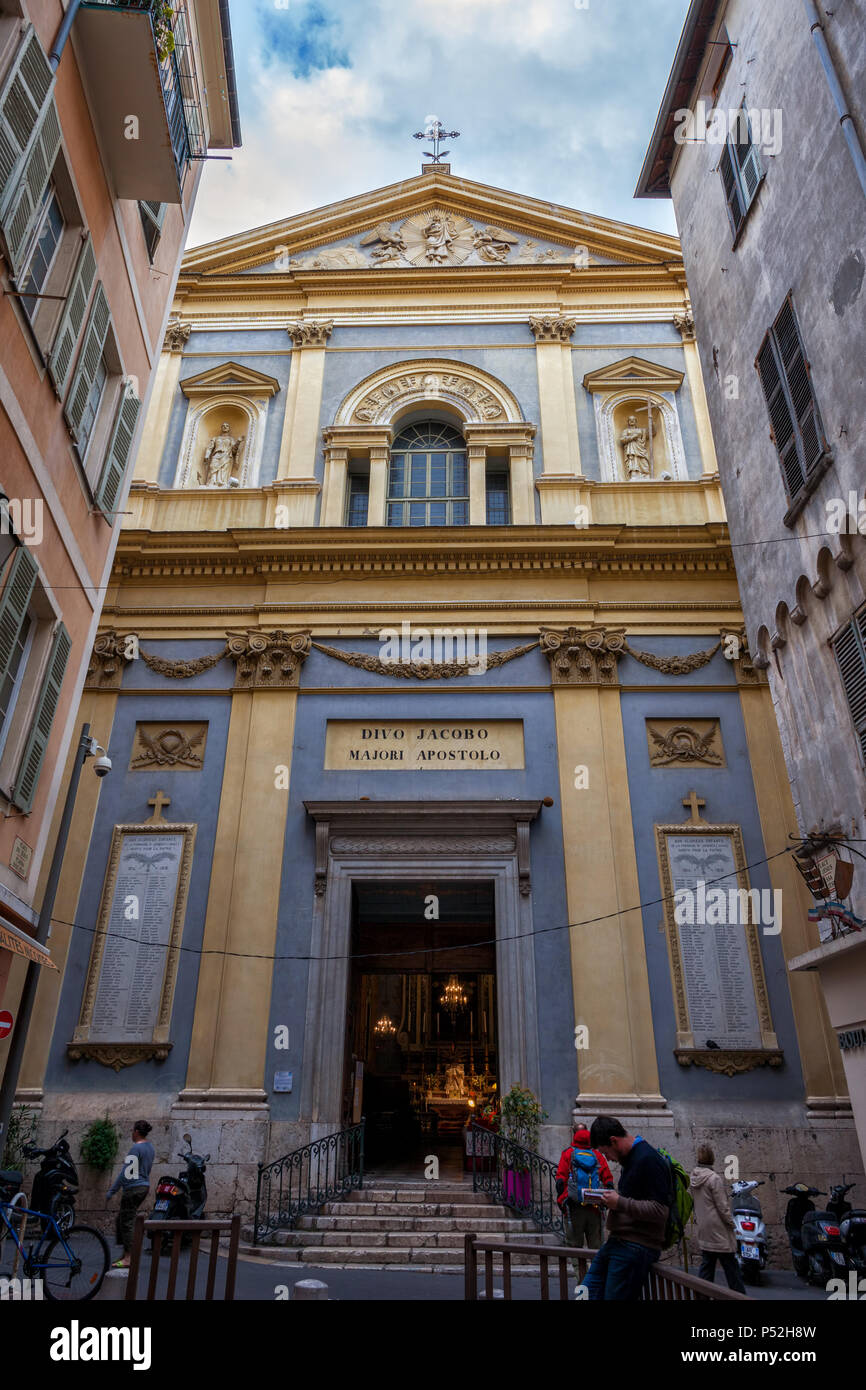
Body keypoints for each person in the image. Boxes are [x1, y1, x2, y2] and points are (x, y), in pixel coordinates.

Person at [577, 1115, 671, 1301]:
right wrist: (610, 1200)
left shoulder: (648, 1159)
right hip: (618, 1242)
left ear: (614, 1141)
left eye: (606, 1153)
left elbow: (660, 1211)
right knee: (584, 1294)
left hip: (635, 1247)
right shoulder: (630, 1159)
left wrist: (619, 1202)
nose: (608, 1159)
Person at [690, 1144, 746, 1293]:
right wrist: (732, 1224)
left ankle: (701, 1295)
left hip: (704, 1228)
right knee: (731, 1267)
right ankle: (740, 1296)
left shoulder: (694, 1177)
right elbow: (722, 1207)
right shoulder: (713, 1178)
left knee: (707, 1266)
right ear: (712, 1158)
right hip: (718, 1229)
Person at [555, 1126, 614, 1268]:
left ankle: (582, 1284)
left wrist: (562, 1200)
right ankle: (596, 1283)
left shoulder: (568, 1153)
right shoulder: (597, 1155)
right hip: (594, 1208)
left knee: (575, 1249)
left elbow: (560, 1179)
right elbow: (608, 1178)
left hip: (574, 1208)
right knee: (596, 1249)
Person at [106, 1120, 155, 1268]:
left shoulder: (136, 1149)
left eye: (132, 1131)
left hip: (133, 1188)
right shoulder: (150, 1148)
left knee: (126, 1222)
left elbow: (125, 1173)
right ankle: (126, 1253)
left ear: (136, 1132)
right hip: (144, 1186)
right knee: (122, 1219)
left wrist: (112, 1190)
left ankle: (129, 1257)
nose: (131, 1133)